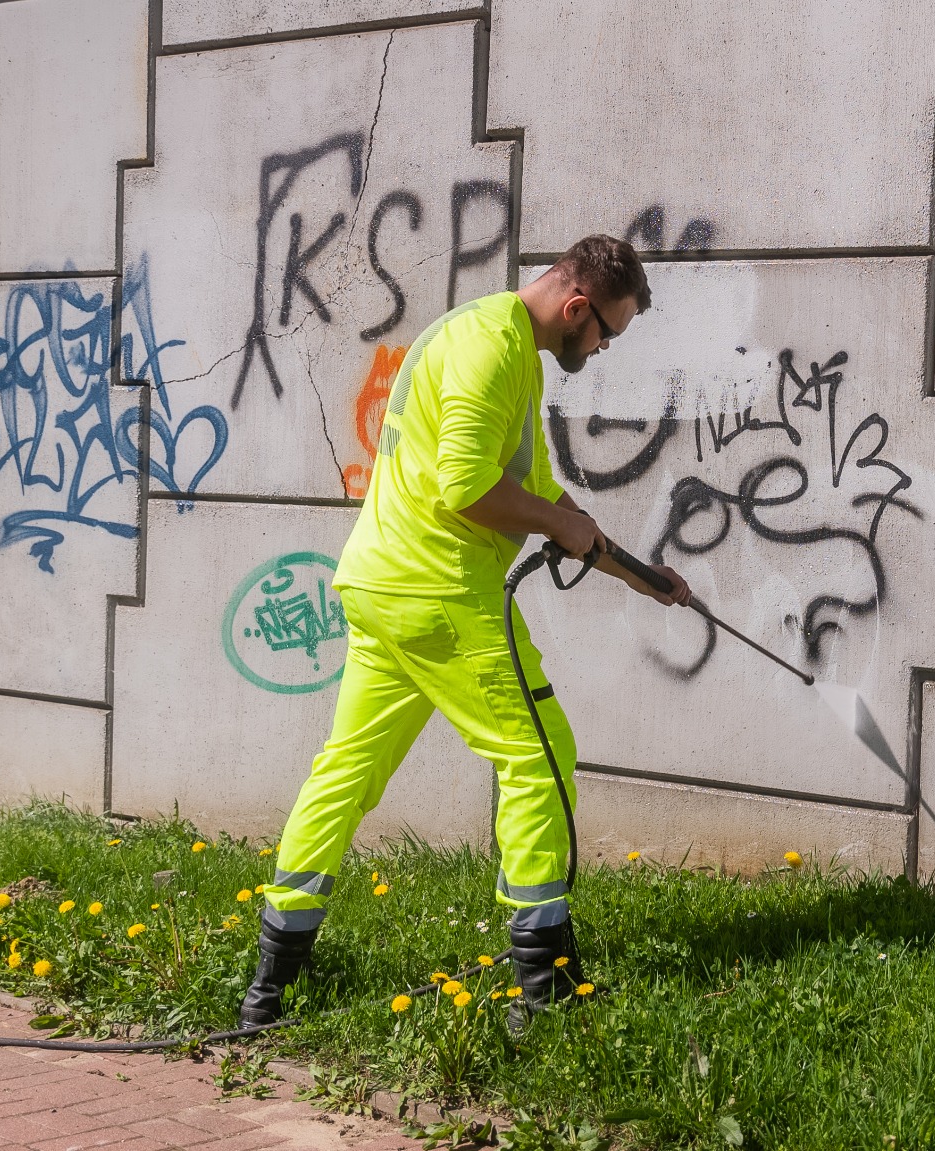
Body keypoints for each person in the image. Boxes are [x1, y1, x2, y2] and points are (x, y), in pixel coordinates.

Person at [239, 235, 689, 1033]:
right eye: (607, 332)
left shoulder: (484, 334)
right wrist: (557, 520)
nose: (605, 347)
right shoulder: (494, 350)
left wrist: (642, 576)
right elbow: (471, 490)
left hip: (382, 587)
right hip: (442, 592)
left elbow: (543, 497)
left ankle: (269, 988)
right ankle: (544, 989)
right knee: (537, 753)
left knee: (345, 772)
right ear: (577, 307)